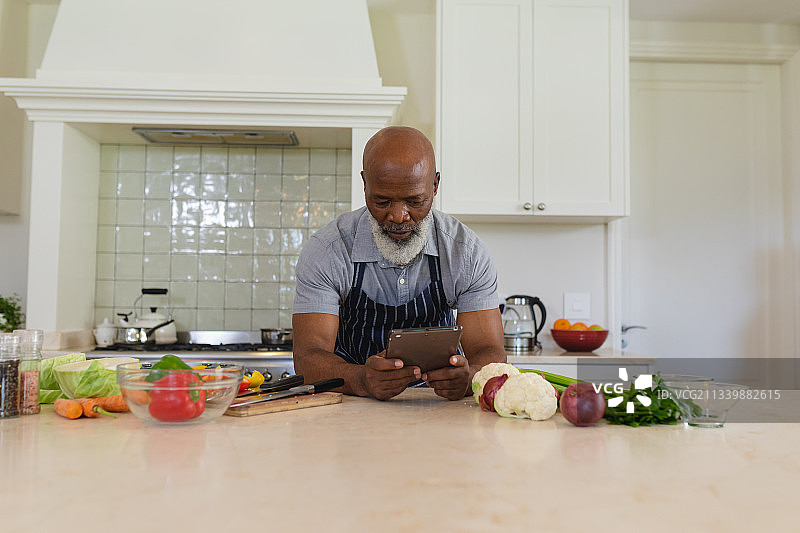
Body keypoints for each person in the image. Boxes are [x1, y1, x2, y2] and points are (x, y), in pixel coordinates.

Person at [292, 126, 506, 400]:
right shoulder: (328, 250)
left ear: (435, 185)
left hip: (440, 406)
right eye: (382, 201)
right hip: (353, 402)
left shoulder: (466, 253)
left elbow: (490, 352)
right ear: (365, 184)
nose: (398, 216)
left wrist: (469, 378)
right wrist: (361, 379)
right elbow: (308, 358)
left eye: (414, 201)